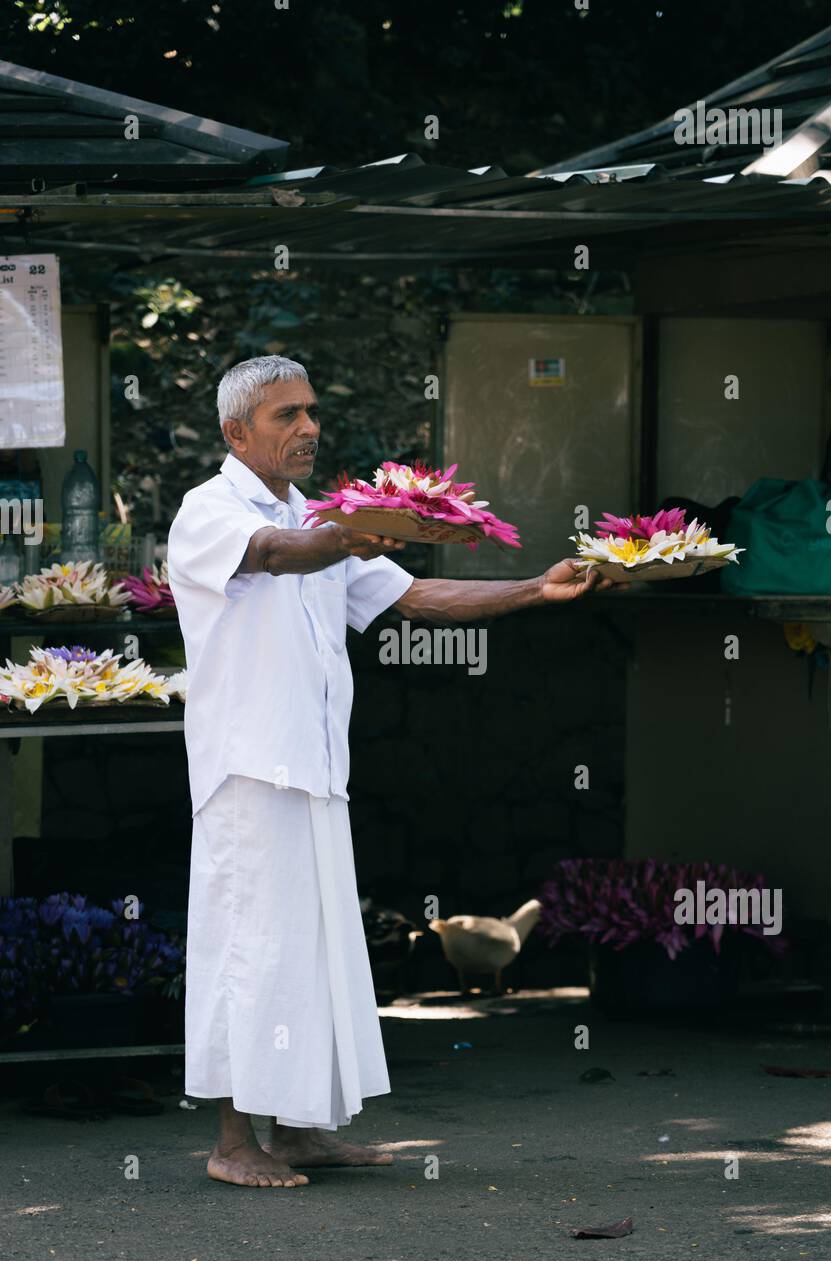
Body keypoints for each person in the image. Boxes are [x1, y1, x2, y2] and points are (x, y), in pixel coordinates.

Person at [167, 355, 607, 1189]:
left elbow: (410, 599)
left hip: (317, 769)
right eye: (286, 416)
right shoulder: (211, 511)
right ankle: (232, 1143)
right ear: (236, 433)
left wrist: (532, 590)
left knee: (314, 953)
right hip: (249, 773)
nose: (308, 429)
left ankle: (296, 1132)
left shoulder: (322, 517)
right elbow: (275, 554)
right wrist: (353, 533)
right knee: (246, 952)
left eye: (311, 412)